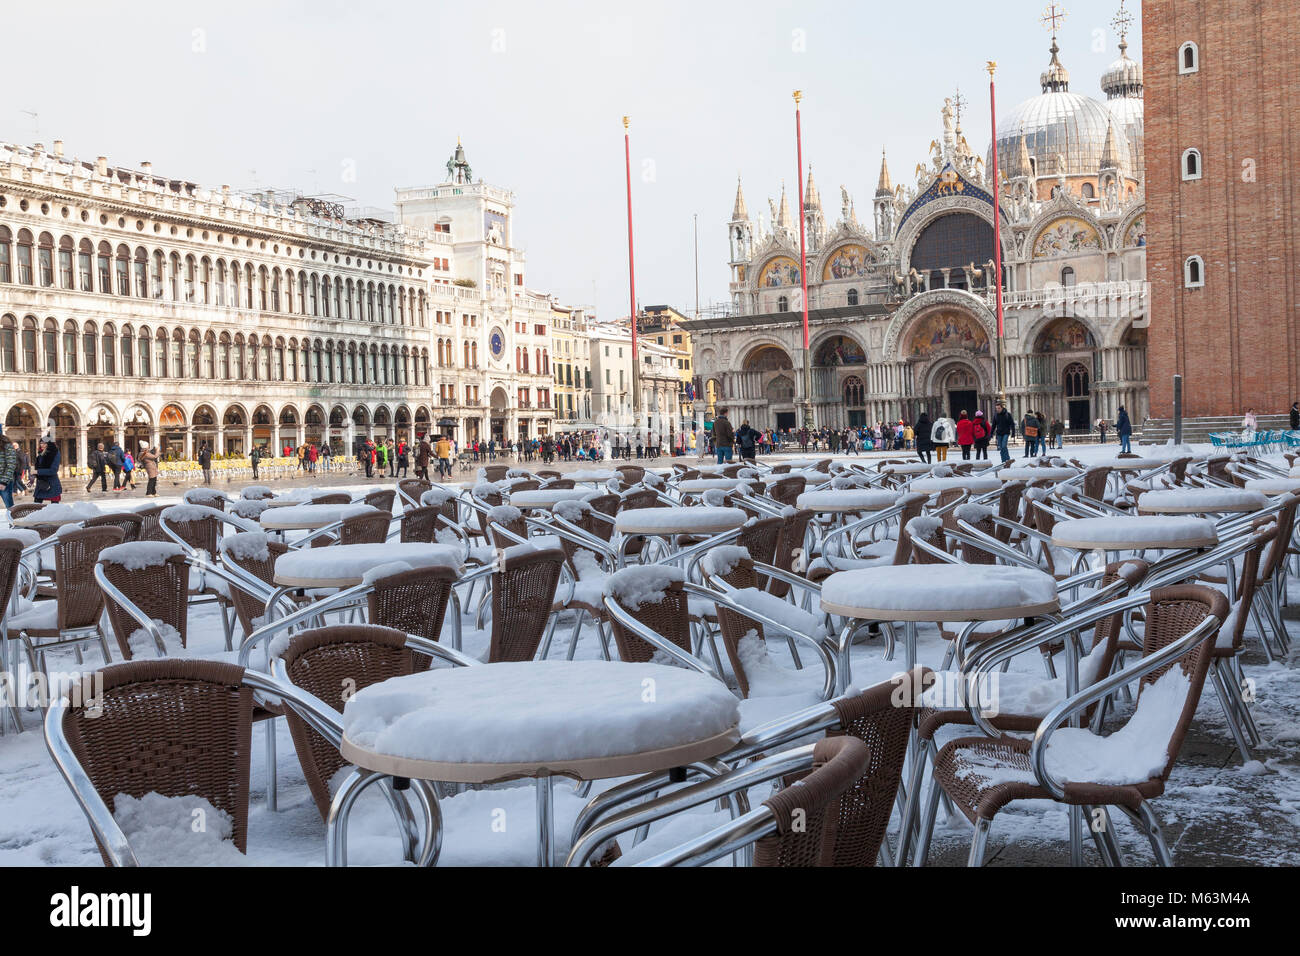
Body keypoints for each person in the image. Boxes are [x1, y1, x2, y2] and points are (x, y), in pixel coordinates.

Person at [34, 437, 62, 502]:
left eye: (44, 443)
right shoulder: (41, 453)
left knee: (54, 508)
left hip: (52, 484)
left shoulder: (55, 453)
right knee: (36, 506)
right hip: (41, 483)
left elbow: (53, 470)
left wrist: (37, 471)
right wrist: (33, 476)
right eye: (41, 443)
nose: (42, 445)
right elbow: (38, 467)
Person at [992, 400, 1015, 464]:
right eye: (996, 408)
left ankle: (1007, 459)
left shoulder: (1008, 414)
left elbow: (1012, 424)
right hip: (999, 433)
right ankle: (1003, 461)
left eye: (999, 408)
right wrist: (991, 433)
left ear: (1002, 408)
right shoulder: (996, 415)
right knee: (1001, 447)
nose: (997, 410)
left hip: (1006, 432)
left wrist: (1013, 432)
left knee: (1004, 446)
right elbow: (993, 425)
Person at [0, 427, 15, 509]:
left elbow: (11, 464)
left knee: (10, 508)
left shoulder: (7, 446)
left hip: (3, 482)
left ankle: (13, 521)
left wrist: (4, 482)